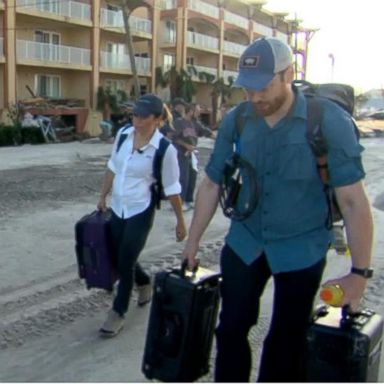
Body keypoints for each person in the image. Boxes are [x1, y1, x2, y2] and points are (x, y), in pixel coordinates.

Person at [182, 37, 374, 382]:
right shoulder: (238, 120)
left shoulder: (328, 122)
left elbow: (353, 201)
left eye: (263, 88)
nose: (255, 98)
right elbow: (211, 183)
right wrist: (192, 242)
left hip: (302, 247)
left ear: (288, 74)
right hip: (246, 242)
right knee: (230, 331)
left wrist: (359, 274)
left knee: (287, 342)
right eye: (248, 90)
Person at [97, 93, 187, 337]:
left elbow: (172, 188)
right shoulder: (123, 135)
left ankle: (118, 312)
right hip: (118, 206)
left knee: (125, 261)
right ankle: (145, 282)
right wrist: (103, 195)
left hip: (141, 209)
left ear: (157, 119)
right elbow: (113, 167)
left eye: (143, 116)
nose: (136, 119)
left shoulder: (164, 150)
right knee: (119, 255)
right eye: (135, 114)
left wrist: (181, 221)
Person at [173, 103, 214, 211]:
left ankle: (188, 201)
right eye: (197, 110)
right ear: (190, 111)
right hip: (181, 153)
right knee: (183, 177)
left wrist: (220, 138)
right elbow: (174, 138)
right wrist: (186, 145)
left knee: (192, 176)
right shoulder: (179, 123)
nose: (199, 112)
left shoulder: (195, 124)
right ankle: (179, 202)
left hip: (192, 154)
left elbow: (207, 132)